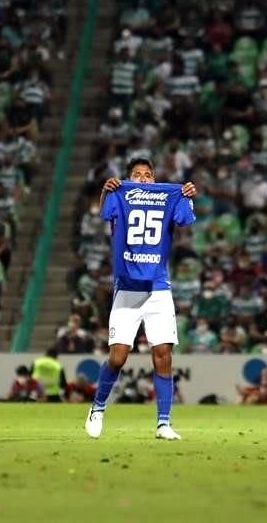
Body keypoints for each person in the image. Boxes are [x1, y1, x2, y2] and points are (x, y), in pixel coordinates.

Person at [84, 158, 196, 440]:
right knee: (118, 356)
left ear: (155, 179)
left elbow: (184, 219)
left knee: (163, 355)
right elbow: (104, 213)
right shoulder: (119, 194)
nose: (143, 179)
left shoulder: (169, 196)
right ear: (129, 178)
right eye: (137, 174)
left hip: (158, 288)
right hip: (127, 289)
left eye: (148, 175)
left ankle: (163, 422)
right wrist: (105, 191)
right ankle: (97, 407)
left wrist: (188, 196)